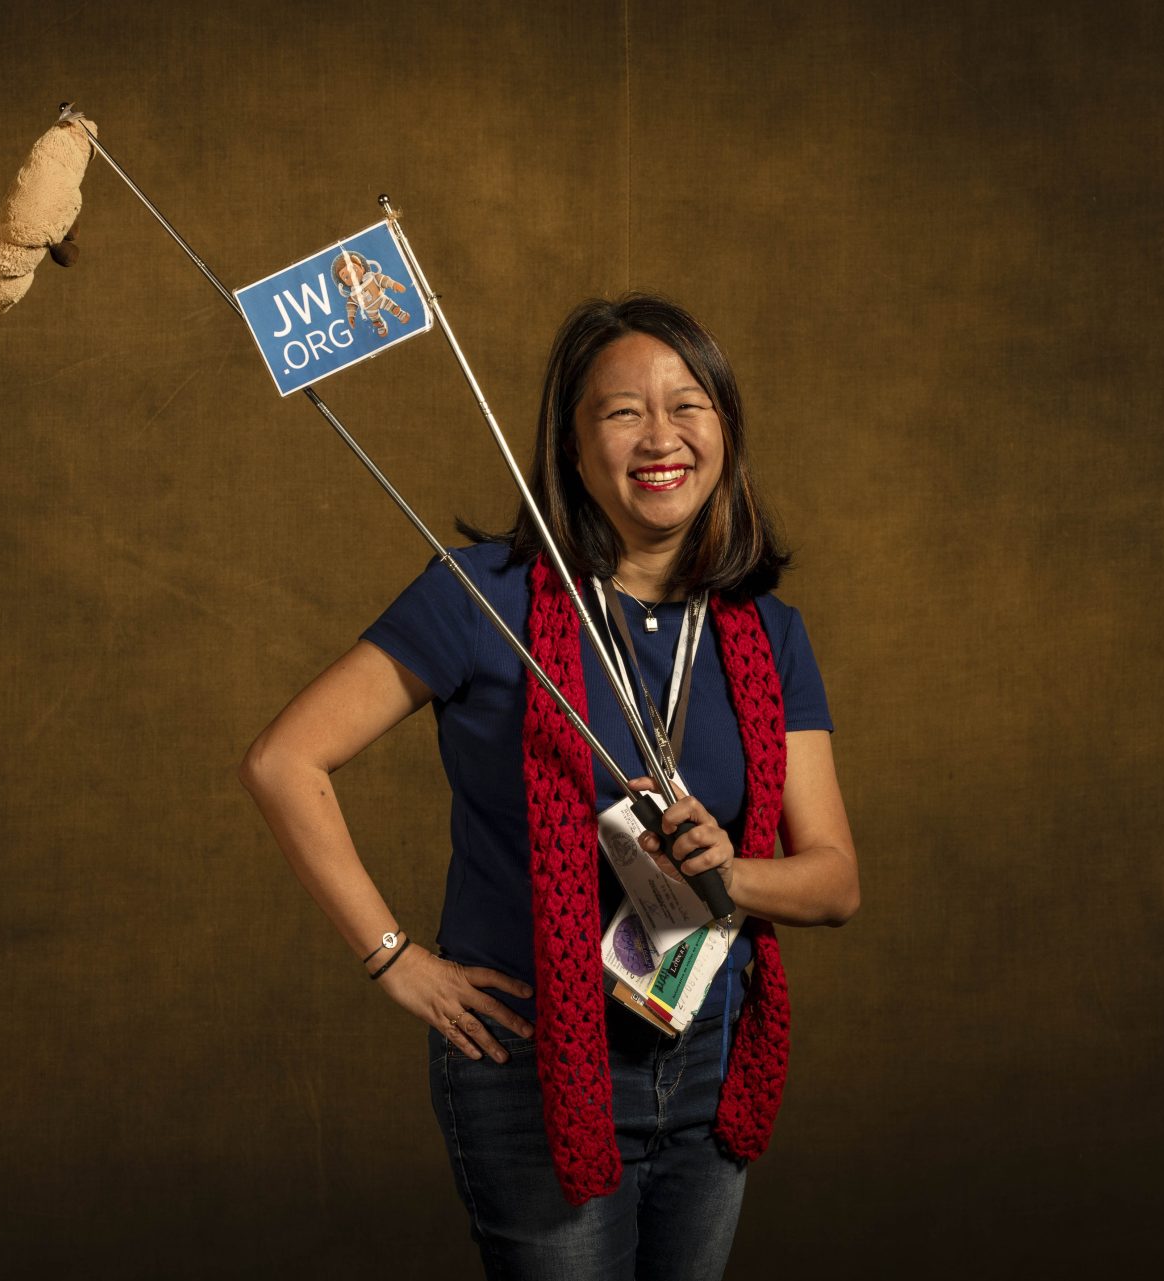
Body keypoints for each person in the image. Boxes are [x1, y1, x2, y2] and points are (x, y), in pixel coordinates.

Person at [239, 294, 859, 1280]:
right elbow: (284, 761)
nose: (660, 437)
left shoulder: (767, 631)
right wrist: (393, 958)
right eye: (622, 412)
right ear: (571, 447)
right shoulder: (481, 597)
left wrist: (727, 874)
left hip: (709, 1056)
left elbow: (833, 882)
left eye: (687, 405)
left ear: (725, 430)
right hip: (531, 1067)